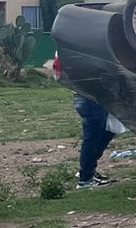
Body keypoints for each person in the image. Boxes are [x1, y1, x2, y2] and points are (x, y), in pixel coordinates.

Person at [50, 56, 118, 189]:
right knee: (92, 137)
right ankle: (85, 178)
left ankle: (88, 169)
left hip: (90, 96)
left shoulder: (72, 48)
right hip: (90, 97)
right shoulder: (85, 51)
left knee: (106, 132)